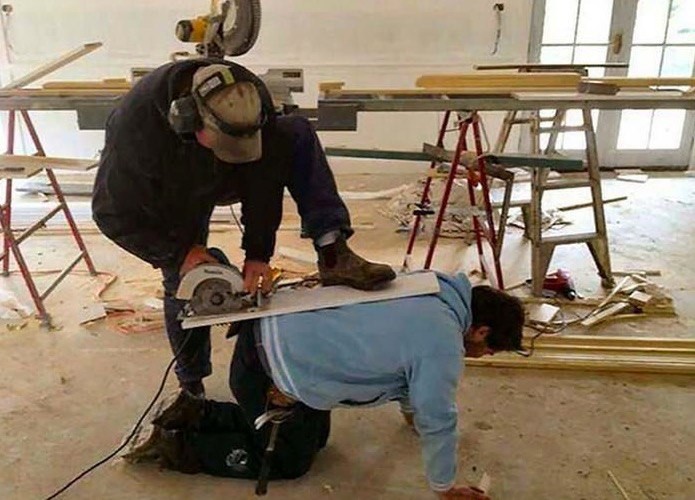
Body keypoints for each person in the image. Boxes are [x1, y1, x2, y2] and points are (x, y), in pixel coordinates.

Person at [92, 60, 396, 397]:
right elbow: (111, 213)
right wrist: (179, 253)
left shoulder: (252, 99)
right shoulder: (136, 131)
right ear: (188, 120)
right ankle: (191, 386)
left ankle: (333, 252)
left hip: (229, 170)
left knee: (296, 133)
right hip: (173, 184)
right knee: (186, 282)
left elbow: (264, 181)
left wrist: (258, 253)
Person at [123, 272, 525, 499]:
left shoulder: (432, 286)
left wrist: (409, 410)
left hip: (271, 335)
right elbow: (439, 416)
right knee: (289, 462)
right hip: (268, 370)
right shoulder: (443, 340)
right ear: (481, 330)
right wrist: (444, 487)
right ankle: (175, 445)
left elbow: (412, 374)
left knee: (316, 440)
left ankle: (197, 411)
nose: (481, 357)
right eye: (488, 349)